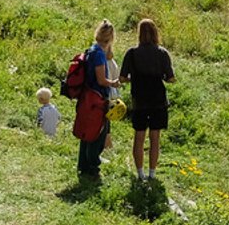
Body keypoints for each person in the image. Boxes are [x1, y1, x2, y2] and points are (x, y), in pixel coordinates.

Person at [119, 19, 176, 181]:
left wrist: (132, 79)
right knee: (155, 137)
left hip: (139, 100)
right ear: (155, 33)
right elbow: (171, 78)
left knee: (139, 136)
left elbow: (122, 78)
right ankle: (152, 173)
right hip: (158, 100)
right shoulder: (162, 53)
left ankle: (139, 173)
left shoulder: (132, 53)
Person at [73, 22, 118, 183]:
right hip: (97, 98)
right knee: (97, 133)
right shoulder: (99, 54)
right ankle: (93, 168)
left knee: (87, 131)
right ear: (111, 37)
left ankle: (82, 165)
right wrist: (114, 82)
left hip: (87, 96)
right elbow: (101, 80)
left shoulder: (91, 49)